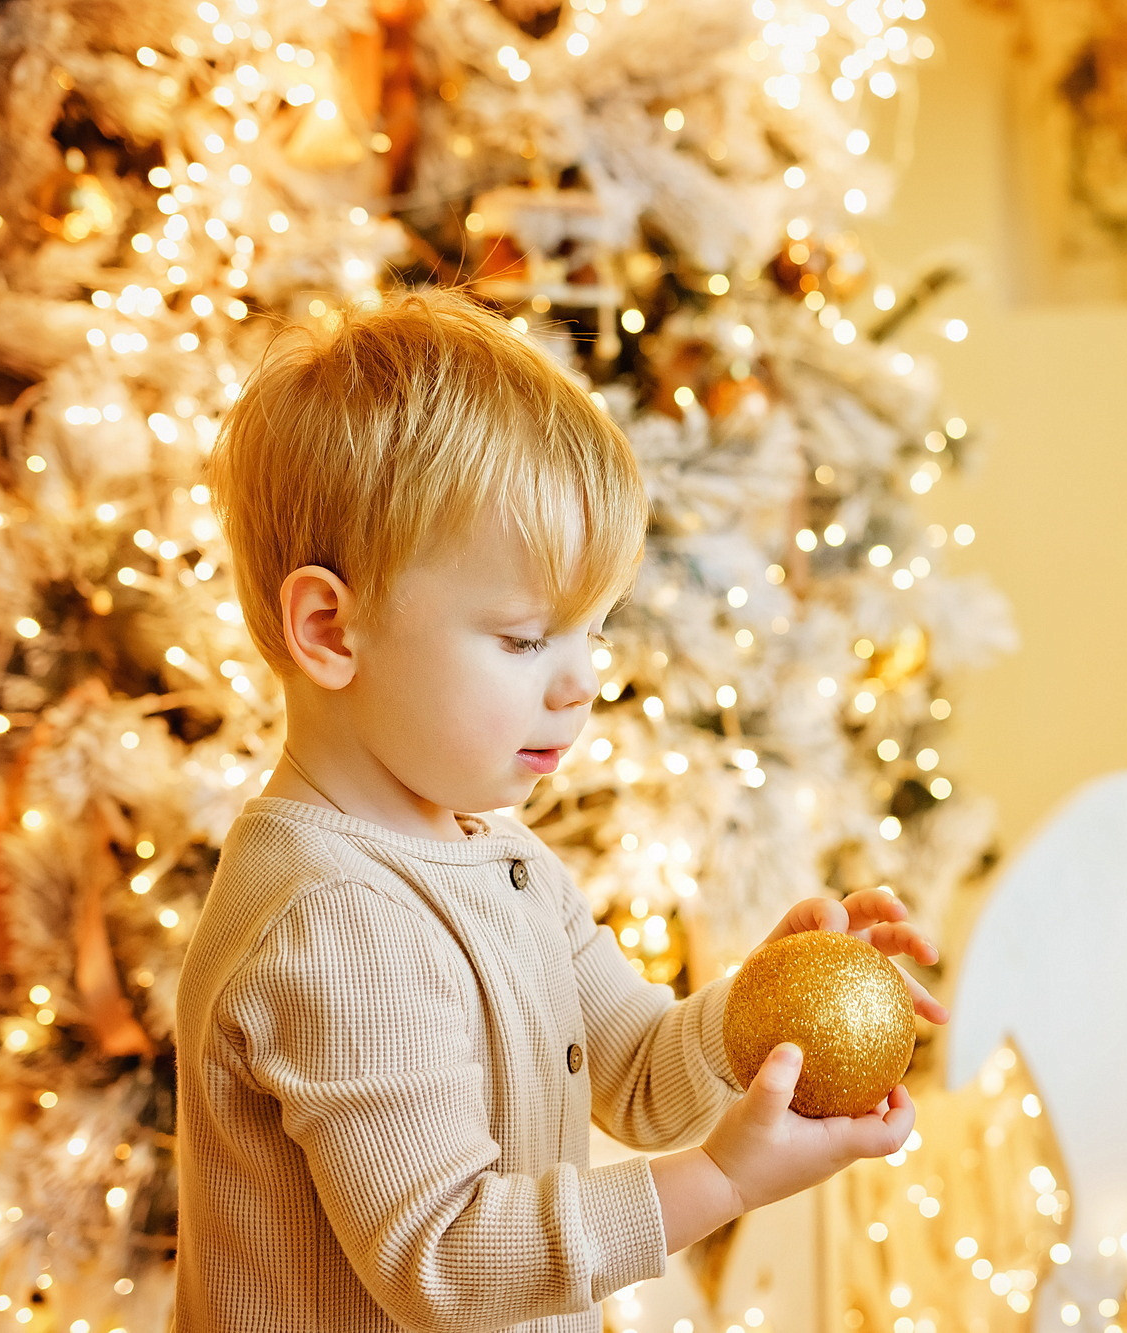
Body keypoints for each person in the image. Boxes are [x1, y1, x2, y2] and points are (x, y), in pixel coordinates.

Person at [176, 288, 949, 1331]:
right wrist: (717, 1182)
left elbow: (635, 1073)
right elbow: (446, 1260)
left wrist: (757, 1015)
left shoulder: (503, 859)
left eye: (590, 631)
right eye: (523, 637)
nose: (581, 679)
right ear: (329, 629)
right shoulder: (334, 921)